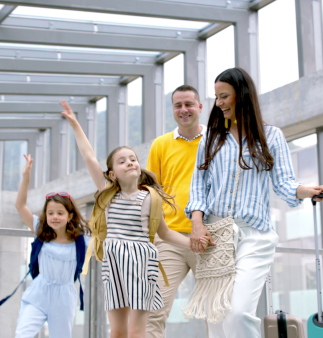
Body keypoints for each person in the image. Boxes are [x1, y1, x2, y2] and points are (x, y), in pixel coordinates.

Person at [185, 67, 323, 338]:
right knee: (216, 320)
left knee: (238, 314)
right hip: (216, 236)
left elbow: (284, 183)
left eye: (225, 96)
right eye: (216, 97)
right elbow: (198, 187)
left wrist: (306, 191)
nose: (219, 103)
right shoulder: (211, 138)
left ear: (242, 95)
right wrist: (197, 224)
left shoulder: (271, 136)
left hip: (255, 236)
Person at [60, 101, 213, 338]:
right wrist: (75, 124)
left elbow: (165, 233)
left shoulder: (150, 198)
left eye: (132, 159)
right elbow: (89, 157)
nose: (130, 162)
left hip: (143, 263)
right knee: (118, 331)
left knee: (137, 331)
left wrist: (194, 243)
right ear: (111, 174)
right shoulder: (106, 192)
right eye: (122, 161)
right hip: (113, 264)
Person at [145, 84, 208, 337]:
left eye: (189, 104)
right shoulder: (160, 145)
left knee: (214, 310)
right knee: (154, 309)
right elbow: (151, 191)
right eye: (178, 105)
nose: (184, 110)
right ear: (173, 109)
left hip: (208, 238)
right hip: (169, 239)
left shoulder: (216, 141)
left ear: (200, 107)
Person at [14, 154, 88, 338]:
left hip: (65, 297)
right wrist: (26, 177)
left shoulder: (81, 240)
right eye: (50, 213)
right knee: (22, 334)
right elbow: (20, 205)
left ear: (70, 216)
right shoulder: (40, 229)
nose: (55, 217)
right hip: (39, 292)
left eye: (60, 213)